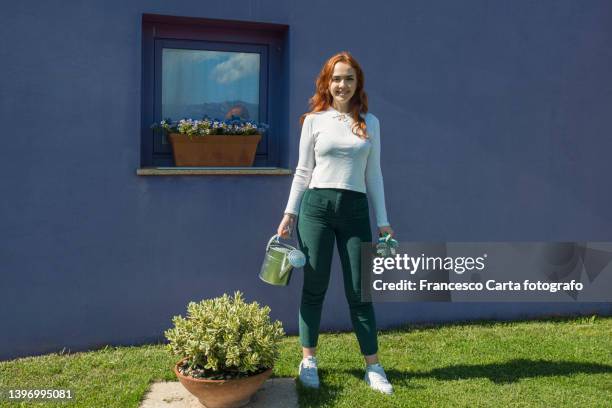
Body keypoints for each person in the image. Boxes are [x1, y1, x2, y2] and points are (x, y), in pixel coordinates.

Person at [277, 51, 394, 394]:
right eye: (336, 78)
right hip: (316, 209)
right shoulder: (314, 121)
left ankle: (373, 366)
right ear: (327, 83)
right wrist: (289, 213)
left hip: (355, 210)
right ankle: (308, 359)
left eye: (349, 79)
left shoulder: (370, 123)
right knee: (315, 285)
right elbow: (303, 171)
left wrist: (383, 222)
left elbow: (375, 175)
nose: (342, 85)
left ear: (358, 84)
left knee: (360, 291)